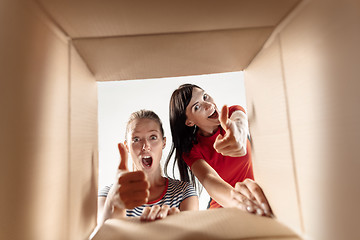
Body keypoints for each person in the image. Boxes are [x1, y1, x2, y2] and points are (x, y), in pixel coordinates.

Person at [165, 83, 272, 217]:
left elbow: (240, 121)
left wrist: (238, 133)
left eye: (205, 97)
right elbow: (209, 179)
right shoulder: (192, 150)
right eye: (197, 107)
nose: (208, 105)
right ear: (189, 122)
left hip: (257, 198)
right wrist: (240, 203)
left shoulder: (232, 114)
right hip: (225, 209)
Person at [97, 109, 199, 226]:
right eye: (136, 139)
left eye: (153, 137)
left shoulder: (184, 192)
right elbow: (101, 234)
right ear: (127, 147)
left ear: (163, 143)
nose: (145, 146)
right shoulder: (108, 194)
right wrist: (113, 204)